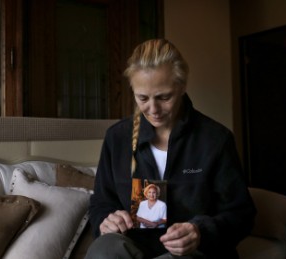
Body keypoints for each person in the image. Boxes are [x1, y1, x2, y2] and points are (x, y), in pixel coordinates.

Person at [86, 39, 256, 259]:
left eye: (164, 97)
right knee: (103, 250)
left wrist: (200, 232)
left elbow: (242, 215)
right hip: (134, 248)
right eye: (143, 98)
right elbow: (100, 203)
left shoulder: (216, 140)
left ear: (182, 86)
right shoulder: (117, 138)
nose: (153, 109)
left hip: (196, 253)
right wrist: (106, 221)